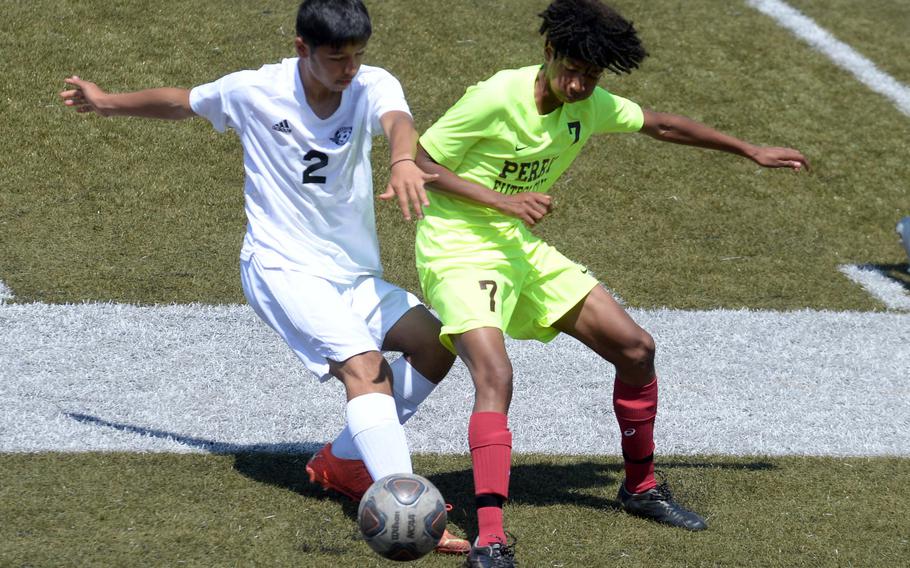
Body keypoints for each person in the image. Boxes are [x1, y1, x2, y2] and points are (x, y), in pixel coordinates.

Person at [59, 0, 470, 555]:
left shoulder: (371, 84)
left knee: (435, 345)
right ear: (302, 48)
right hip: (282, 267)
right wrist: (106, 102)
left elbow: (399, 123)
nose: (349, 68)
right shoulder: (255, 90)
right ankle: (402, 502)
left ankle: (347, 460)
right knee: (365, 368)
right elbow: (183, 103)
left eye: (357, 55)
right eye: (335, 57)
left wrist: (401, 160)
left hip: (350, 270)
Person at [413, 0, 809, 564]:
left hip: (519, 246)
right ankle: (491, 536)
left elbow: (660, 124)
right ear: (548, 53)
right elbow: (420, 161)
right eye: (571, 68)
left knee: (636, 348)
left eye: (591, 76)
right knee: (495, 373)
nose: (578, 84)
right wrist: (503, 200)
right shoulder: (497, 96)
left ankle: (640, 488)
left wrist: (749, 150)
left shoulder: (589, 104)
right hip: (459, 248)